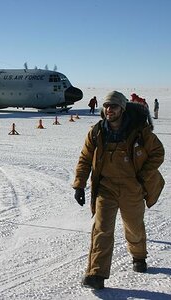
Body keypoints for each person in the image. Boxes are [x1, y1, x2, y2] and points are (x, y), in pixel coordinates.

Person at [72, 91, 165, 290]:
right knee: (102, 229)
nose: (109, 110)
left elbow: (158, 153)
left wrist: (143, 177)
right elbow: (85, 159)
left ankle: (139, 257)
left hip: (133, 186)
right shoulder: (97, 131)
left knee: (134, 226)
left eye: (113, 106)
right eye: (106, 106)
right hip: (106, 187)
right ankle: (96, 273)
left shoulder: (140, 131)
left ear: (122, 109)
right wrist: (79, 184)